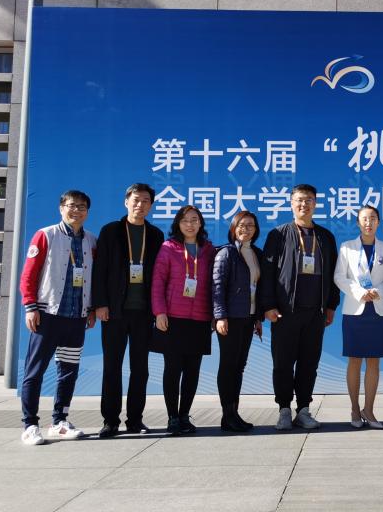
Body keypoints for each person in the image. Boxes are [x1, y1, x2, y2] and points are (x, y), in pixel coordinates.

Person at [18, 190, 96, 445]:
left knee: (68, 372)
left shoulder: (91, 241)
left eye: (82, 207)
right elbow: (29, 275)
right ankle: (30, 425)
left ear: (87, 212)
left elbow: (93, 279)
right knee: (35, 371)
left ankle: (59, 421)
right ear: (61, 208)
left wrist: (91, 309)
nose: (77, 211)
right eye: (72, 206)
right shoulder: (46, 235)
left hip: (76, 318)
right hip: (47, 315)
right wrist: (30, 307)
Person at [259, 184, 339, 431]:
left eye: (309, 200)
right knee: (282, 363)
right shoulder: (279, 234)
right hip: (285, 312)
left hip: (315, 312)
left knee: (309, 363)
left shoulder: (325, 237)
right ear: (291, 203)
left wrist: (331, 305)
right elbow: (267, 273)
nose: (304, 204)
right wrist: (269, 305)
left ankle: (303, 410)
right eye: (300, 200)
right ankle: (284, 409)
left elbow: (334, 274)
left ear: (315, 204)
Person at [92, 183, 164, 438]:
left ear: (151, 205)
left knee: (140, 369)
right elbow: (99, 270)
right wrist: (100, 304)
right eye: (136, 200)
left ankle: (135, 419)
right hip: (114, 311)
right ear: (126, 202)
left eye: (145, 201)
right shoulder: (110, 231)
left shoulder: (155, 235)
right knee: (112, 367)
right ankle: (110, 420)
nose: (140, 205)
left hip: (143, 312)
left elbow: (159, 275)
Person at [152, 205, 216, 435]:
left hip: (200, 319)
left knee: (192, 371)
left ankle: (184, 415)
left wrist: (214, 315)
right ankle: (172, 417)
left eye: (194, 220)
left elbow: (214, 285)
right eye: (185, 220)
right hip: (173, 318)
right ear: (177, 224)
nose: (190, 224)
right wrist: (159, 312)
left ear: (201, 223)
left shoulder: (208, 250)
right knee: (173, 369)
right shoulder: (168, 248)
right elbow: (158, 282)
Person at [333, 205, 383, 429]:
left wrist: (379, 291)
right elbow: (339, 277)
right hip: (355, 310)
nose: (368, 223)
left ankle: (369, 410)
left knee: (374, 362)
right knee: (354, 360)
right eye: (364, 219)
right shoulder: (347, 247)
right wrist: (359, 292)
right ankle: (354, 409)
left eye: (373, 218)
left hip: (377, 310)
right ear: (358, 223)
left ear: (378, 222)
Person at [212, 210, 264, 432]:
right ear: (234, 228)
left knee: (239, 366)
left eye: (250, 225)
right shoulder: (226, 253)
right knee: (228, 365)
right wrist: (220, 316)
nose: (246, 229)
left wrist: (258, 318)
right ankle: (227, 415)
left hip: (248, 317)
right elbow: (217, 287)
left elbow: (258, 289)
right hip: (230, 318)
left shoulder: (257, 253)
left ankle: (234, 413)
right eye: (241, 225)